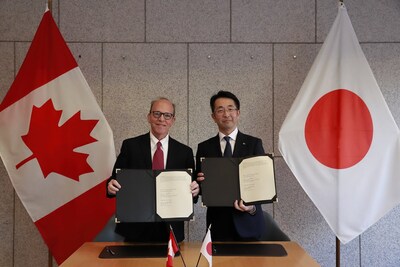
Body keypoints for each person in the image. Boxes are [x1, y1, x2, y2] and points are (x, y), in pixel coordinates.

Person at [107, 97, 199, 242]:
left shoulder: (184, 152)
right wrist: (110, 186)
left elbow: (192, 193)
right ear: (149, 117)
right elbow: (115, 180)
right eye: (157, 113)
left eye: (167, 115)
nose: (161, 119)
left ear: (172, 120)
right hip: (135, 229)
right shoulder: (130, 146)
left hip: (170, 230)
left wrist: (195, 190)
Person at [196, 90, 267, 241]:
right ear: (213, 116)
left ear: (238, 113)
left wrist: (251, 207)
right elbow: (199, 186)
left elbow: (262, 184)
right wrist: (201, 183)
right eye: (220, 110)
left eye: (230, 109)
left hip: (249, 223)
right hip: (218, 226)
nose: (226, 114)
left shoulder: (254, 144)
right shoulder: (204, 147)